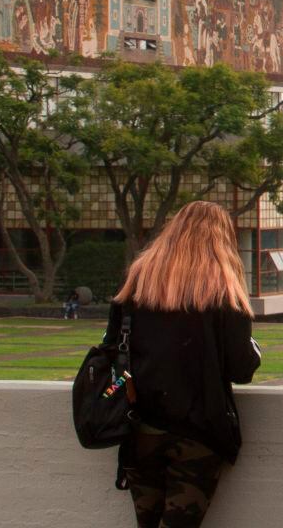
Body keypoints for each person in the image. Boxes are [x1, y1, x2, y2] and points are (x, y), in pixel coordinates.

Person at [102, 200, 259, 528]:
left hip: (139, 426)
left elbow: (113, 349)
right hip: (197, 431)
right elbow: (241, 369)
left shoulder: (138, 283)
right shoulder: (223, 292)